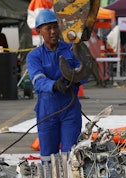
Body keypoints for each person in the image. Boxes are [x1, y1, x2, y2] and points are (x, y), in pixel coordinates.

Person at [26, 9, 83, 163]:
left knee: (71, 157)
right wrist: (55, 85)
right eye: (48, 28)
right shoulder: (34, 56)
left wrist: (77, 79)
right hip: (47, 111)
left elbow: (84, 70)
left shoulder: (71, 50)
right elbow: (37, 80)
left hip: (70, 108)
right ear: (39, 31)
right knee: (48, 156)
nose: (53, 32)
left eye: (55, 27)